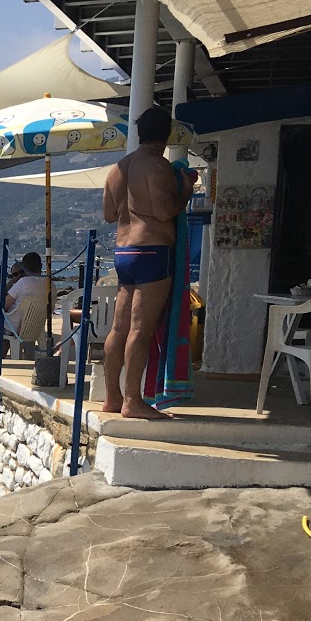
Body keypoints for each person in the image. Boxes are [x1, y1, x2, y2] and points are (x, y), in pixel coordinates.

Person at [101, 107, 192, 419]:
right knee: (140, 329)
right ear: (165, 135)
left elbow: (109, 215)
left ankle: (112, 396)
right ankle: (132, 401)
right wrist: (187, 192)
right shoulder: (157, 165)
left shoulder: (118, 169)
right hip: (152, 251)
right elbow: (166, 211)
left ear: (140, 134)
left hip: (123, 253)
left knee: (118, 328)